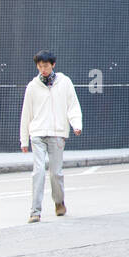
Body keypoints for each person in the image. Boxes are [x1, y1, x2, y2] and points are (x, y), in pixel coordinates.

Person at [19, 50, 83, 223]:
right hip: (37, 134)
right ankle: (35, 211)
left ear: (53, 65)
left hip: (57, 133)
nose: (43, 69)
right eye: (40, 66)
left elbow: (72, 105)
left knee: (56, 173)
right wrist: (24, 139)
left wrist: (76, 124)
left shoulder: (65, 82)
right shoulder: (32, 86)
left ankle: (59, 201)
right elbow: (26, 114)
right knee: (38, 172)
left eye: (45, 66)